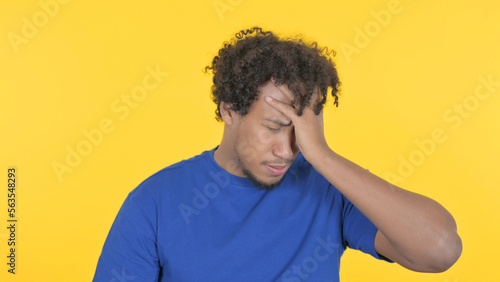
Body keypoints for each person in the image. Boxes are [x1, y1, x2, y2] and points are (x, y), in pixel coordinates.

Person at [93, 27, 462, 281]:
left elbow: (440, 250)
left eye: (301, 133)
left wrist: (322, 155)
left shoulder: (328, 189)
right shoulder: (154, 202)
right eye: (273, 127)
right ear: (229, 111)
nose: (287, 151)